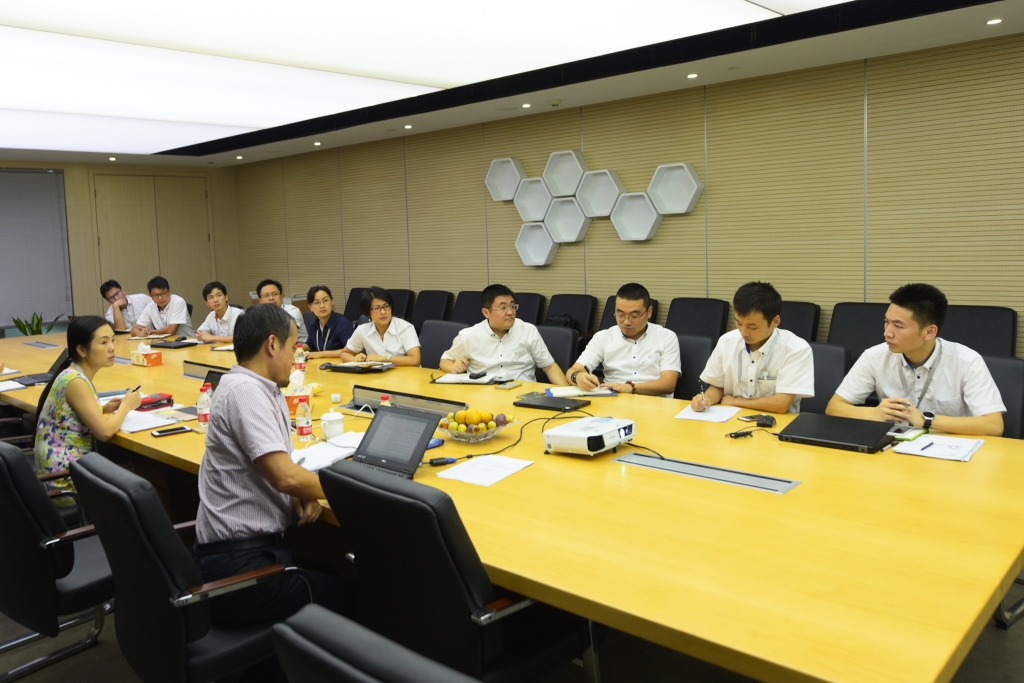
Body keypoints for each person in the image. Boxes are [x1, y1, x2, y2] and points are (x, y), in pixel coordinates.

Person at [193, 304, 352, 625]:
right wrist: (352, 493)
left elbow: (281, 472)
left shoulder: (254, 387)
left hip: (241, 554)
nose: (296, 357)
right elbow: (284, 476)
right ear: (272, 344)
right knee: (357, 596)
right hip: (239, 569)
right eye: (293, 347)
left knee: (334, 573)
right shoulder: (246, 393)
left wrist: (301, 488)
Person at [826, 283, 1004, 436]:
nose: (887, 332)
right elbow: (834, 407)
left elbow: (994, 426)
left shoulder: (966, 361)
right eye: (886, 322)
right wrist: (874, 414)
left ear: (929, 332)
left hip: (951, 451)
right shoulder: (875, 356)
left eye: (898, 326)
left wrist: (926, 420)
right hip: (893, 447)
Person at [34, 316, 143, 500]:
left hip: (66, 470)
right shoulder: (75, 381)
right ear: (81, 350)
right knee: (151, 472)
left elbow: (70, 417)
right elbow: (104, 433)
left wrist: (103, 409)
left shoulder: (72, 373)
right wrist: (126, 405)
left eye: (113, 340)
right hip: (66, 482)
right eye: (104, 342)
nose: (112, 347)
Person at [690, 282, 814, 413]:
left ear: (775, 321)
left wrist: (736, 402)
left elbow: (780, 404)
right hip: (730, 417)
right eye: (739, 323)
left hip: (776, 421)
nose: (743, 333)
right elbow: (717, 387)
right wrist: (706, 399)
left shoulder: (795, 349)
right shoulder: (726, 342)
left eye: (752, 327)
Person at [565, 283, 680, 397]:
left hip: (655, 403)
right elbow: (573, 371)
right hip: (614, 400)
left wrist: (630, 388)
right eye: (620, 315)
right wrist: (577, 377)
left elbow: (668, 384)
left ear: (649, 312)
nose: (626, 322)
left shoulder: (666, 337)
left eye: (634, 316)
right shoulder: (603, 337)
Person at [441, 284, 569, 384]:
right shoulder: (469, 335)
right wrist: (455, 368)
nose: (510, 312)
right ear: (486, 312)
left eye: (512, 306)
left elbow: (550, 367)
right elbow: (445, 361)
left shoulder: (528, 331)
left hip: (524, 395)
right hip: (484, 396)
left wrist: (570, 396)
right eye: (503, 308)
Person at [337, 286, 421, 366]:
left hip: (405, 374)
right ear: (368, 312)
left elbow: (415, 360)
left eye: (386, 306)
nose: (383, 312)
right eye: (377, 308)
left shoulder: (405, 328)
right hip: (376, 375)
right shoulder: (362, 330)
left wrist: (384, 359)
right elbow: (345, 353)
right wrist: (355, 360)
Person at [129, 276, 196, 338]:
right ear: (150, 296)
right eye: (156, 295)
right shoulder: (150, 307)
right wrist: (139, 333)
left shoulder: (178, 302)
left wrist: (149, 331)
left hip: (186, 342)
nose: (160, 298)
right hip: (164, 343)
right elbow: (134, 329)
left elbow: (170, 331)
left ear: (169, 291)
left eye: (163, 293)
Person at [303, 285, 353, 359]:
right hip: (319, 364)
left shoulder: (343, 324)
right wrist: (299, 349)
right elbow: (310, 345)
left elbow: (350, 350)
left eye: (325, 300)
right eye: (317, 302)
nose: (322, 306)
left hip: (338, 364)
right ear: (310, 307)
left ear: (332, 302)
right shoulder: (313, 325)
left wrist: (321, 354)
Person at [257, 278, 307, 344]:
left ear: (281, 297)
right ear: (260, 300)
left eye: (274, 294)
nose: (271, 298)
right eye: (266, 295)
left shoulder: (292, 311)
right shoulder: (258, 315)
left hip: (299, 348)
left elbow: (286, 334)